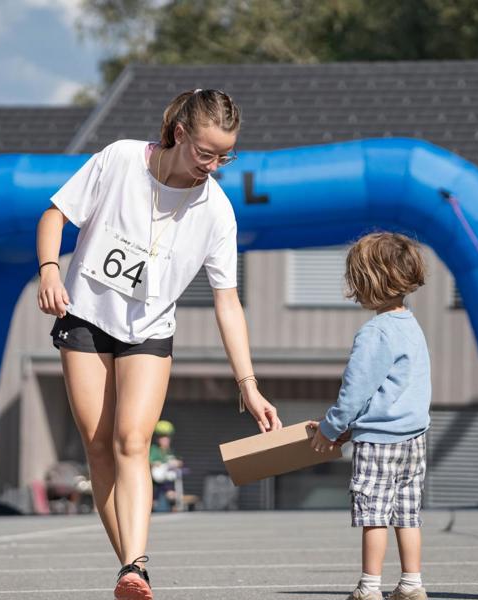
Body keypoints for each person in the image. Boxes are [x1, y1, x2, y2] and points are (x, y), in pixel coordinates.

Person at [36, 88, 281, 600]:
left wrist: (249, 385)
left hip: (149, 331)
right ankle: (130, 565)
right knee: (99, 449)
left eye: (225, 156)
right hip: (83, 317)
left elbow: (227, 302)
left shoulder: (217, 211)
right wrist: (50, 269)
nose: (213, 166)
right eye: (205, 153)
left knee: (133, 442)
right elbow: (54, 216)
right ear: (178, 134)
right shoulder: (121, 158)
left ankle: (136, 567)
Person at [309, 232, 431, 600]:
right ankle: (411, 583)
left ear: (370, 281)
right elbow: (391, 391)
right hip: (415, 439)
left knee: (374, 513)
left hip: (379, 442)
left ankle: (369, 587)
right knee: (407, 513)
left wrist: (331, 429)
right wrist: (350, 430)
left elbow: (355, 392)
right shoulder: (411, 325)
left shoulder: (375, 333)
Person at [149, 420, 182, 513]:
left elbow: (179, 461)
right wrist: (156, 463)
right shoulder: (154, 449)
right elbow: (149, 461)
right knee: (153, 500)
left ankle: (174, 510)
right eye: (163, 438)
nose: (165, 440)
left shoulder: (170, 451)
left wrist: (176, 463)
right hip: (155, 479)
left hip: (167, 478)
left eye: (167, 438)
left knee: (171, 495)